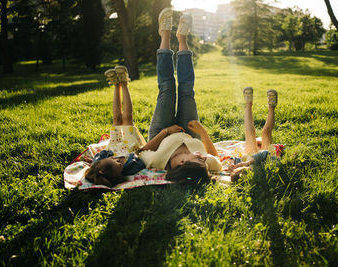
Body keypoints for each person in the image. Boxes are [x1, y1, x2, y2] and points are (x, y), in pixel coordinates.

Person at [137, 8, 222, 184]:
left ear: (182, 162)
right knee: (187, 90)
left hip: (162, 131)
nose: (203, 158)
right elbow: (217, 161)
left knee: (167, 89)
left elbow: (140, 153)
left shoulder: (158, 161)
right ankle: (182, 38)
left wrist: (166, 131)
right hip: (190, 130)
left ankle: (165, 35)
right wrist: (203, 132)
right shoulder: (203, 165)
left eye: (199, 158)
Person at [84, 66, 147, 187]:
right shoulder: (129, 168)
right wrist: (126, 160)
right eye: (119, 165)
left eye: (115, 161)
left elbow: (102, 154)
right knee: (127, 117)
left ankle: (116, 85)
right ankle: (124, 83)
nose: (119, 161)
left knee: (116, 117)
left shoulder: (98, 165)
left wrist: (95, 161)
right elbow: (140, 161)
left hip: (114, 146)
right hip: (131, 147)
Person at [227, 87, 279, 181]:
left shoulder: (242, 164)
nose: (237, 167)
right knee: (265, 132)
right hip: (265, 154)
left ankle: (248, 104)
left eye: (236, 169)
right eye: (239, 169)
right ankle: (272, 107)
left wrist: (231, 163)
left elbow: (234, 158)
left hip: (249, 154)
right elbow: (265, 154)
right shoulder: (264, 168)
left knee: (249, 132)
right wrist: (247, 163)